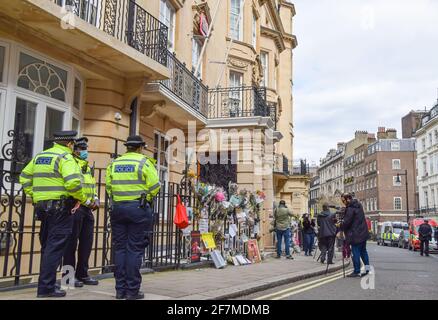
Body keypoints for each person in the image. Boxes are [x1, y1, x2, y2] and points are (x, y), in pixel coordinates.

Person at [19, 131, 93, 298]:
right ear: (69, 144)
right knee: (55, 247)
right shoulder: (65, 158)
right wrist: (84, 200)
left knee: (47, 246)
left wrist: (36, 195)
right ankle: (46, 288)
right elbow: (73, 183)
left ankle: (46, 285)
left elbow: (24, 177)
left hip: (42, 207)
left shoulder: (40, 156)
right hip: (60, 208)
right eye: (73, 144)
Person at [106, 135, 161, 300]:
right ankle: (132, 291)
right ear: (140, 147)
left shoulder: (115, 164)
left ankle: (119, 290)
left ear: (127, 147)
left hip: (118, 209)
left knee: (120, 249)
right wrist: (147, 199)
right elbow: (155, 186)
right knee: (134, 250)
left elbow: (109, 187)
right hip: (138, 209)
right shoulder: (144, 162)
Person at [63, 137, 99, 287]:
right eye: (82, 148)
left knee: (86, 243)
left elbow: (91, 185)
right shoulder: (71, 163)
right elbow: (73, 186)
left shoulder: (86, 166)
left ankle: (82, 274)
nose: (85, 151)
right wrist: (87, 201)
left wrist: (95, 198)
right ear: (75, 150)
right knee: (70, 244)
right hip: (76, 206)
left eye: (86, 148)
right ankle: (68, 278)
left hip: (88, 208)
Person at [340, 193, 370, 278]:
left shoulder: (350, 208)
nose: (343, 202)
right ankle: (367, 269)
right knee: (363, 252)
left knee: (356, 253)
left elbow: (346, 222)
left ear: (348, 199)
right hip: (363, 233)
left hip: (355, 235)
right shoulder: (358, 205)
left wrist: (340, 225)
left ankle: (356, 271)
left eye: (344, 200)